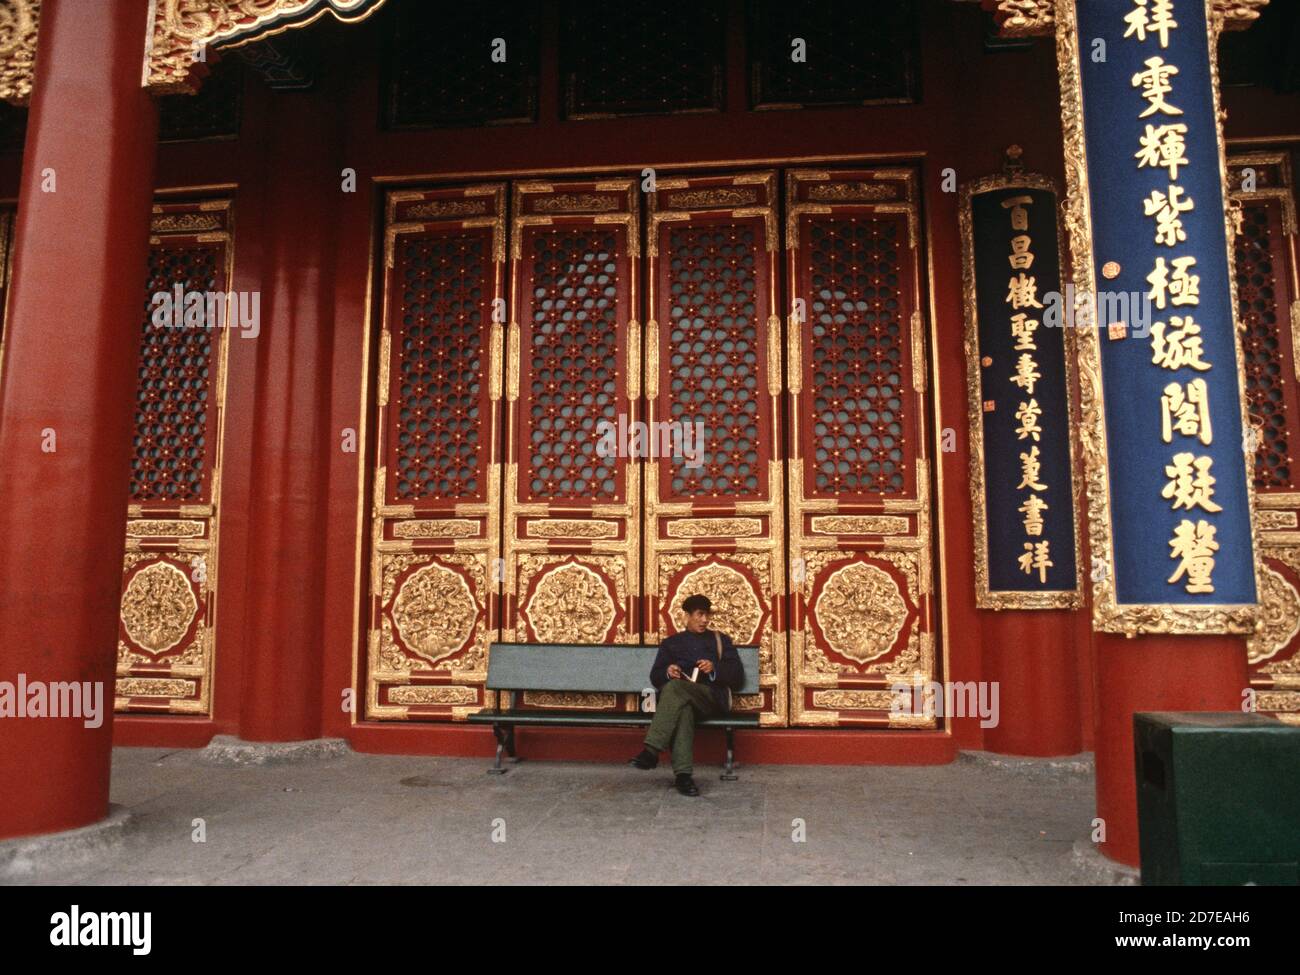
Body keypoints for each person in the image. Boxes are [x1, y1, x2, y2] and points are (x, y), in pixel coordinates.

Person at [627, 594, 744, 796]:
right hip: (683, 700)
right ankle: (683, 777)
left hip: (711, 699)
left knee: (673, 689)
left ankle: (652, 751)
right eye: (699, 615)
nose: (704, 620)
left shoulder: (720, 640)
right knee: (683, 708)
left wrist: (714, 668)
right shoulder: (671, 643)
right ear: (686, 617)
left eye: (707, 615)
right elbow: (656, 676)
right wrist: (668, 671)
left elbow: (737, 676)